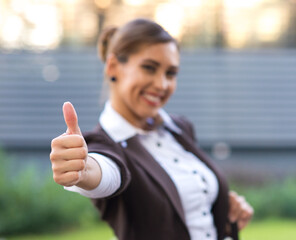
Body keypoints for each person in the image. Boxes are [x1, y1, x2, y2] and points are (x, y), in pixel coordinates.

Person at [50, 18, 253, 240]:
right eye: (149, 68)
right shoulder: (103, 143)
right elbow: (107, 171)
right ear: (113, 67)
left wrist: (221, 204)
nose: (162, 84)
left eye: (171, 73)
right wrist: (82, 169)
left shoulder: (180, 129)